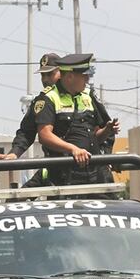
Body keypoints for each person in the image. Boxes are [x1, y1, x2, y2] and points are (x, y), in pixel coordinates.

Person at [33, 53, 120, 186]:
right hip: (67, 175)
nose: (87, 79)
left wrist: (107, 130)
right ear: (69, 77)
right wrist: (73, 149)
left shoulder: (87, 95)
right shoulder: (49, 98)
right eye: (84, 75)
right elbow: (44, 135)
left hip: (95, 173)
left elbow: (93, 139)